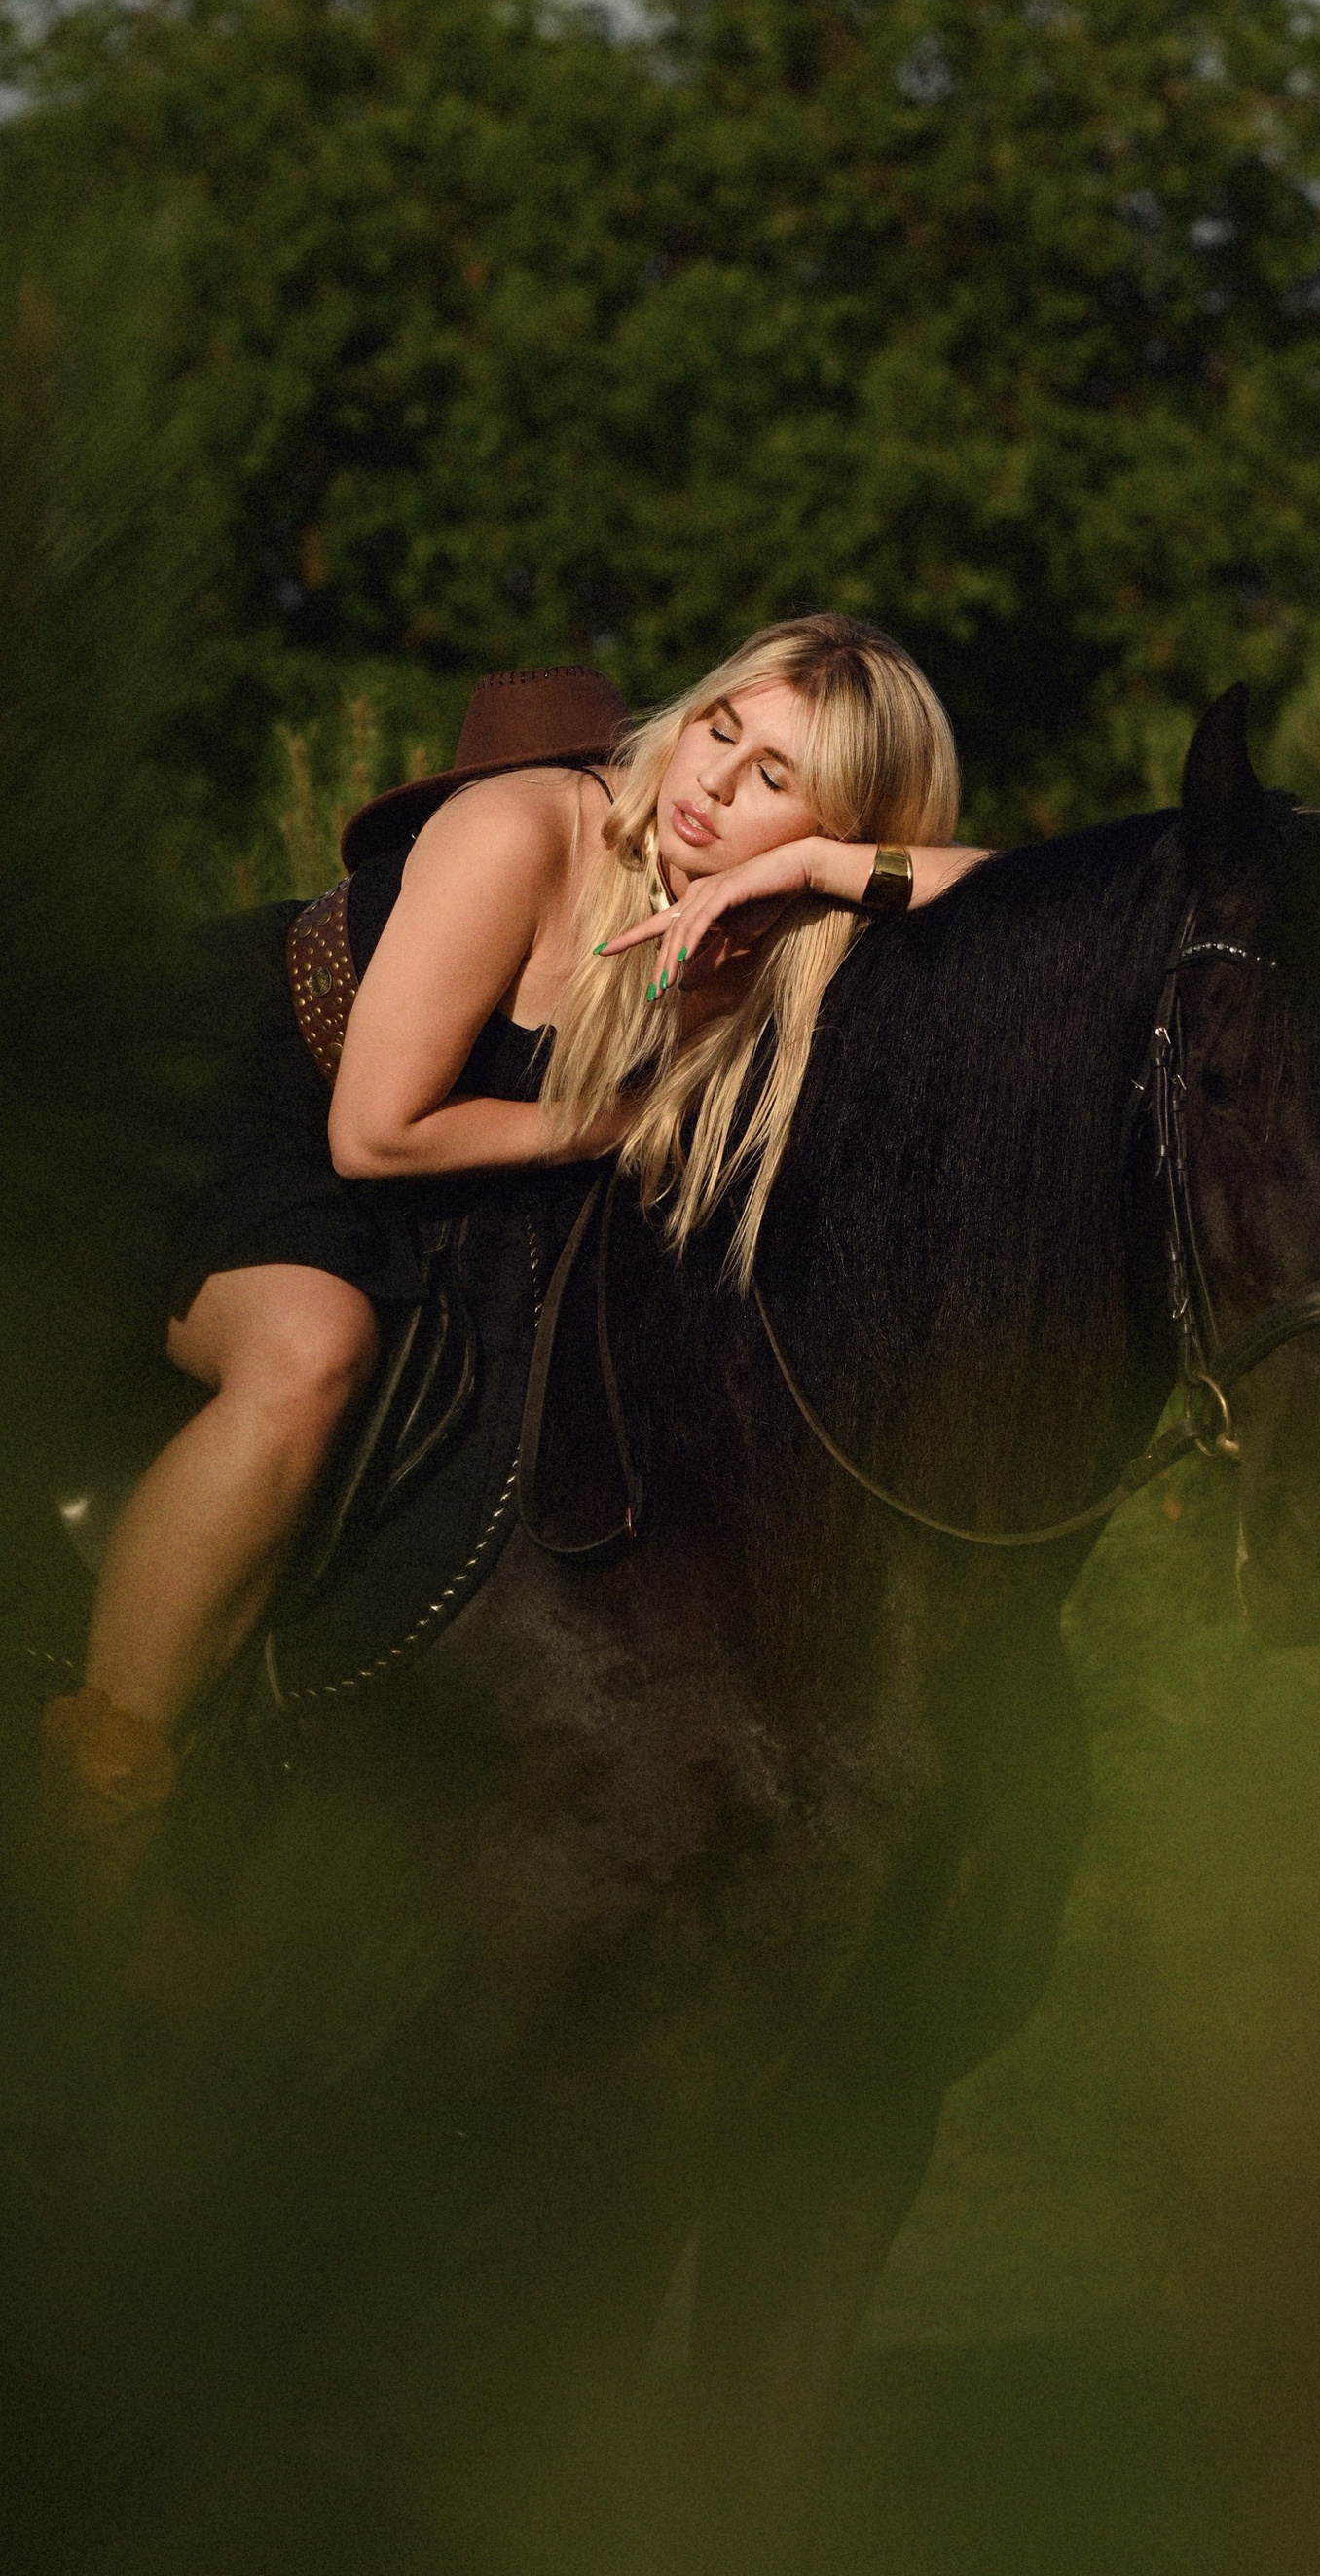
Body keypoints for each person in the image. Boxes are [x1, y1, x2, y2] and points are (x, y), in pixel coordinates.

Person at [43, 613, 985, 1874]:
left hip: (459, 1161)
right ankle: (103, 1805)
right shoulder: (528, 830)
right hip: (241, 1086)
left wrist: (820, 871)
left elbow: (1027, 896)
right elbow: (375, 1133)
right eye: (718, 728)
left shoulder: (788, 927)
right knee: (309, 1348)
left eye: (774, 777)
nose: (711, 782)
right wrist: (631, 1121)